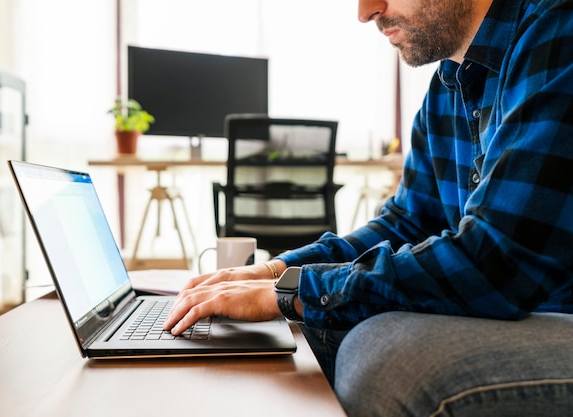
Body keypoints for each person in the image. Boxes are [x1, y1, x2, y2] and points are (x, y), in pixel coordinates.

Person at [164, 0, 573, 415]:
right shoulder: (448, 86)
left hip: (557, 315)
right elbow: (406, 223)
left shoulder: (560, 31)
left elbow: (495, 261)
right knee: (299, 327)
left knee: (388, 359)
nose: (366, 11)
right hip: (515, 313)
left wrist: (293, 291)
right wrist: (276, 271)